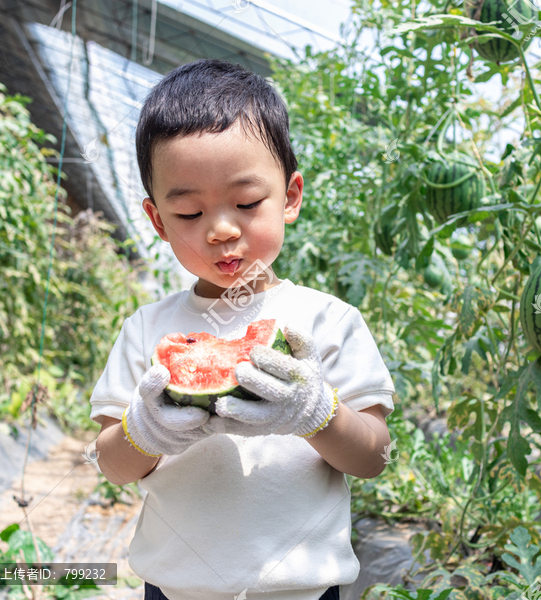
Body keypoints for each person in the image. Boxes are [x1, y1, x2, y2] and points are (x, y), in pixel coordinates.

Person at [89, 58, 397, 600]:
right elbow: (112, 465)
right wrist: (143, 431)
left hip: (303, 590)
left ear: (291, 196)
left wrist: (315, 412)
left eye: (247, 203)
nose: (221, 230)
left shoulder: (330, 321)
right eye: (188, 213)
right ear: (157, 221)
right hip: (174, 589)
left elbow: (372, 456)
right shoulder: (145, 329)